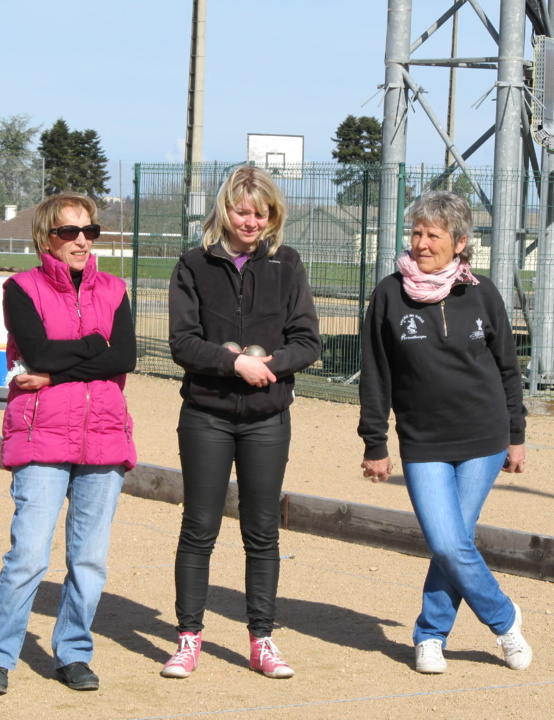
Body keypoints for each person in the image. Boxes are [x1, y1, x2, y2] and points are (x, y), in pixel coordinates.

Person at [357, 190, 533, 675]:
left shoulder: (482, 292)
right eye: (415, 232)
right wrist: (375, 442)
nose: (420, 242)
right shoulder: (390, 293)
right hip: (424, 441)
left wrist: (516, 435)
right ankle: (504, 619)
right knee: (446, 540)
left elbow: (507, 370)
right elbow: (376, 374)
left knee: (454, 540)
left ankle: (430, 636)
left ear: (459, 243)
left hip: (484, 436)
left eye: (432, 234)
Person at [0, 192, 137, 695]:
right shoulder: (21, 288)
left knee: (89, 559)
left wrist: (51, 375)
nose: (82, 241)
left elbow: (123, 358)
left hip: (105, 435)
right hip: (42, 435)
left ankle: (73, 653)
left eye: (90, 232)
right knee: (28, 555)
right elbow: (39, 349)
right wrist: (93, 346)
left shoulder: (115, 289)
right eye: (70, 232)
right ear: (47, 236)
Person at [163, 166, 322, 680]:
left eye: (261, 212)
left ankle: (262, 639)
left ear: (273, 214)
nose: (250, 221)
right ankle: (188, 639)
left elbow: (307, 341)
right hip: (206, 415)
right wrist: (233, 363)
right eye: (241, 210)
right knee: (199, 528)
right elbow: (182, 342)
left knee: (262, 531)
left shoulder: (287, 265)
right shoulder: (192, 265)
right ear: (223, 210)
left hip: (266, 418)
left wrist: (268, 367)